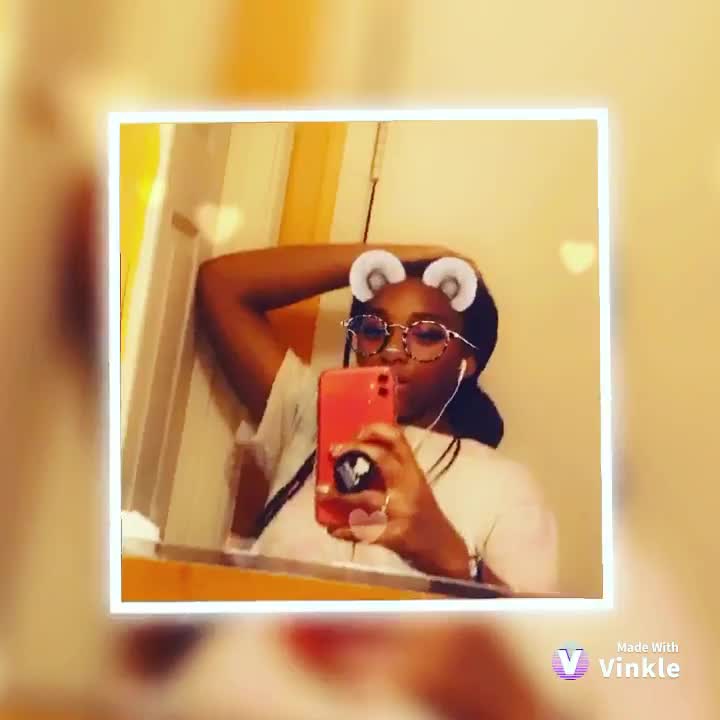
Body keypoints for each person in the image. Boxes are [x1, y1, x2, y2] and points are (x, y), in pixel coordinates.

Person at [197, 244, 557, 593]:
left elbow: (536, 629)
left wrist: (453, 560)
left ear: (466, 362)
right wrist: (409, 256)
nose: (392, 349)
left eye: (426, 334)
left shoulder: (505, 486)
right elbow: (222, 283)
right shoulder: (309, 417)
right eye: (373, 330)